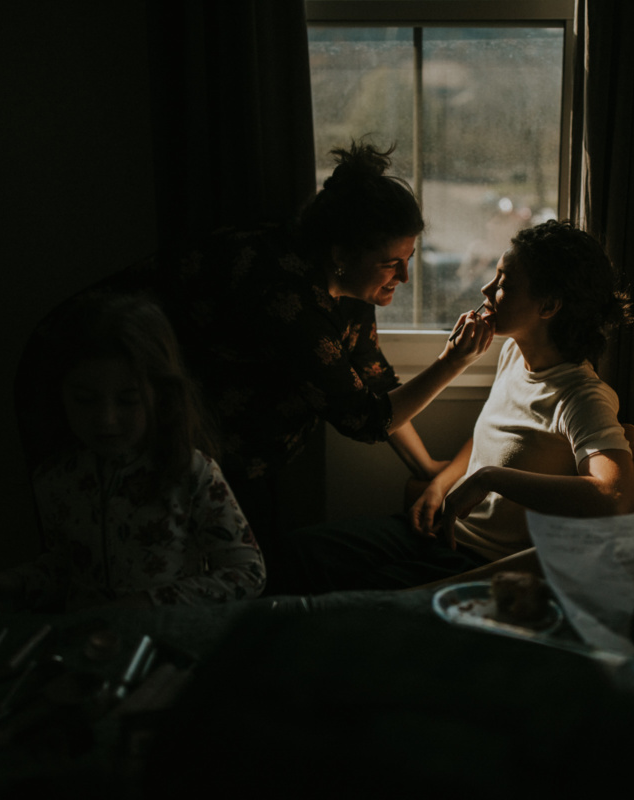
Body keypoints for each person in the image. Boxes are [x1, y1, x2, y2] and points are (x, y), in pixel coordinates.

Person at [153, 141, 494, 587]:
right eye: (392, 264)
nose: (405, 278)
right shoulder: (290, 298)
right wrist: (453, 362)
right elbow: (363, 418)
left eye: (408, 260)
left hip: (245, 444)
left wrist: (427, 466)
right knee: (227, 573)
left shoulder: (350, 283)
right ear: (340, 255)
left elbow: (375, 383)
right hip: (167, 419)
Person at [282, 219, 634, 592]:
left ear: (548, 306)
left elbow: (614, 498)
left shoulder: (581, 397)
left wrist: (488, 479)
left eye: (505, 283)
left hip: (481, 561)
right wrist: (440, 485)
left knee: (353, 600)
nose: (487, 288)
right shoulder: (515, 354)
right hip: (438, 529)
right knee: (299, 553)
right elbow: (489, 441)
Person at [0, 294, 266, 612]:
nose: (105, 419)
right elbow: (68, 567)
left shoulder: (192, 473)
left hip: (169, 643)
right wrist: (21, 582)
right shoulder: (56, 476)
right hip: (90, 640)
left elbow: (248, 573)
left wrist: (146, 603)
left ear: (160, 394)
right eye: (85, 399)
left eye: (127, 399)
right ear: (60, 394)